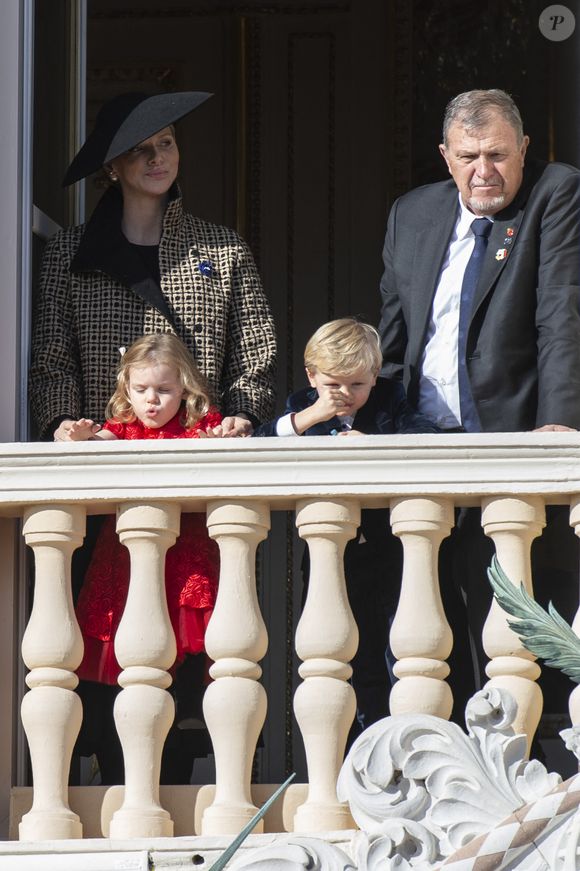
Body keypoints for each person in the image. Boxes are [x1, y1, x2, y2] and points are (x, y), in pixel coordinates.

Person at [378, 88, 580, 719]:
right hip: (420, 444)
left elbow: (559, 314)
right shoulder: (411, 215)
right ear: (445, 156)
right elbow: (389, 340)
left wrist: (560, 423)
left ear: (523, 149)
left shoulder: (555, 192)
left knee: (521, 613)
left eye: (497, 153)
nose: (484, 170)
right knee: (423, 615)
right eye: (469, 156)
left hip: (512, 441)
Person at [29, 90, 277, 441]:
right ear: (111, 166)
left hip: (207, 450)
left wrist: (243, 416)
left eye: (166, 143)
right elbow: (53, 359)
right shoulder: (68, 251)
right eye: (138, 148)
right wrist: (63, 423)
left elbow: (254, 354)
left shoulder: (224, 248)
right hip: (101, 454)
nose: (156, 157)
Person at [254, 318, 439, 736]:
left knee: (398, 648)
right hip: (332, 555)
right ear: (312, 376)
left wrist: (374, 447)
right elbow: (262, 444)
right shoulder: (303, 404)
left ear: (375, 376)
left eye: (357, 384)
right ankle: (355, 747)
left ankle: (402, 738)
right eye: (334, 384)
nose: (345, 395)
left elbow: (427, 435)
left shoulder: (389, 399)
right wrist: (306, 418)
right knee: (343, 655)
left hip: (390, 550)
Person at [62, 333, 221, 782]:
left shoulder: (196, 428)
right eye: (142, 390)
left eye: (165, 390)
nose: (152, 401)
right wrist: (81, 440)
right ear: (126, 390)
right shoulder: (125, 428)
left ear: (185, 389)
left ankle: (182, 739)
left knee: (183, 654)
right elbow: (99, 444)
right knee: (127, 653)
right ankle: (119, 763)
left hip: (183, 561)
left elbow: (222, 447)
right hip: (125, 564)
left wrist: (229, 433)